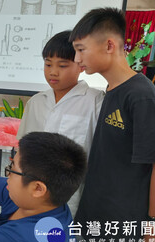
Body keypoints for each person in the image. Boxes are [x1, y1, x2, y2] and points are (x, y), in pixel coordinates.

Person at [70, 7, 155, 242]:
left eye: (81, 49)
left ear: (109, 45)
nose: (77, 59)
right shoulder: (112, 90)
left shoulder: (141, 95)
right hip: (95, 222)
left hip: (122, 233)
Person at [17, 30, 104, 216]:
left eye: (62, 65)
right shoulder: (36, 102)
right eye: (48, 64)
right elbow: (22, 148)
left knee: (65, 239)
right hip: (33, 192)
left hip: (74, 198)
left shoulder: (95, 102)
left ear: (80, 65)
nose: (53, 72)